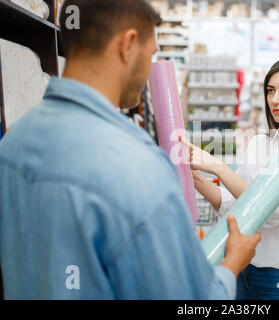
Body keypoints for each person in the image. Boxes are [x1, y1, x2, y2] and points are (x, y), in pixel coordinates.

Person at [0, 0, 260, 299]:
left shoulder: (12, 144)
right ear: (129, 44)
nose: (150, 70)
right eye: (151, 54)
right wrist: (232, 263)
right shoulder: (139, 167)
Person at [181, 57, 279, 300]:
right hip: (239, 269)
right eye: (270, 90)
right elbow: (235, 207)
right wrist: (193, 176)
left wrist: (218, 167)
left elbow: (273, 211)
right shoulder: (259, 143)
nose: (275, 99)